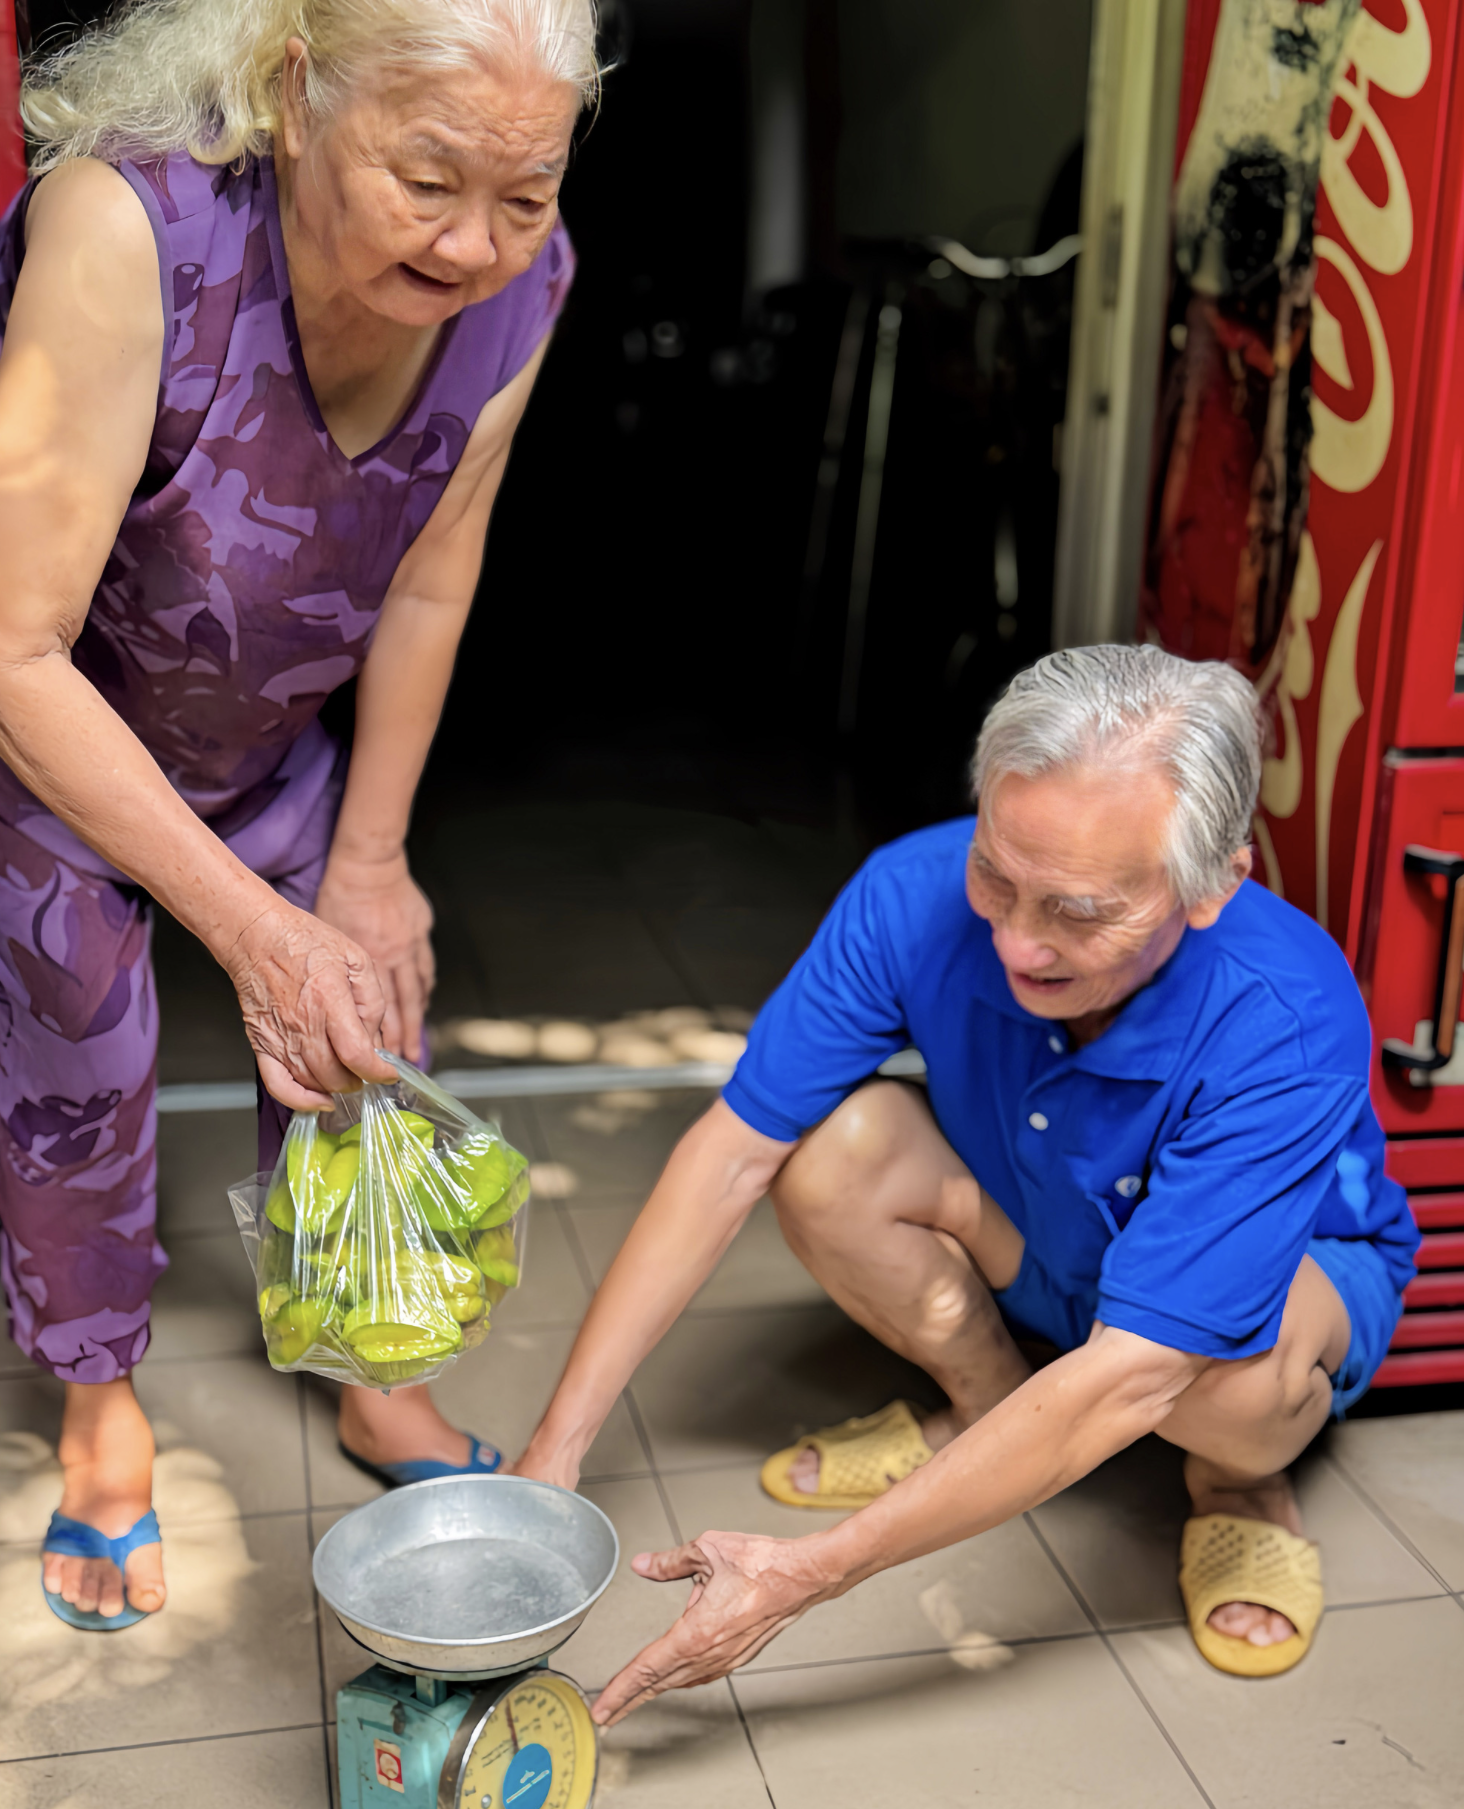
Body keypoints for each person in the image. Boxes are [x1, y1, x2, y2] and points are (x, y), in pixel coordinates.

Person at [511, 645, 1420, 1720]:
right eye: (997, 873)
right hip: (1043, 1233)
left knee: (1221, 1381)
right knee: (828, 1153)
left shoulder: (1287, 1010)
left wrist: (808, 1573)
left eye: (1078, 910)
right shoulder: (910, 893)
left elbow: (1142, 1367)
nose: (1017, 944)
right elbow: (730, 1154)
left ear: (1215, 879)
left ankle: (1238, 1484)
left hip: (1256, 1307)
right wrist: (549, 1455)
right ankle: (990, 1406)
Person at [0, 0, 597, 1628]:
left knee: (357, 1016)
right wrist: (247, 924)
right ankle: (97, 1392)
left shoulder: (519, 289)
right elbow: (13, 647)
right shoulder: (127, 225)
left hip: (270, 737)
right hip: (61, 741)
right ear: (289, 92)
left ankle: (359, 1362)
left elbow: (428, 576)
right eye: (426, 179)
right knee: (75, 1056)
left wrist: (368, 862)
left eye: (523, 193)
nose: (474, 243)